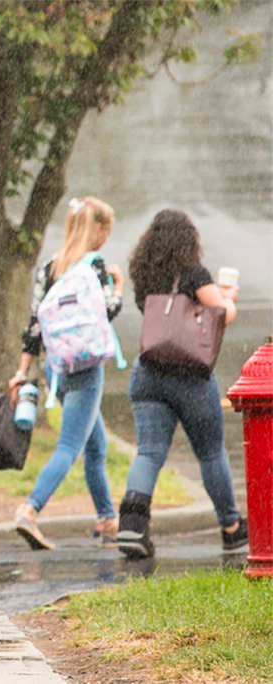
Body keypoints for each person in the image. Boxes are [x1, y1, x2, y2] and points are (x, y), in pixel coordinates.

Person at [116, 209, 248, 560]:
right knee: (210, 452)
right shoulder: (194, 273)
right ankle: (232, 528)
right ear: (188, 239)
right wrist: (229, 297)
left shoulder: (143, 273)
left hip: (148, 374)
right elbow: (223, 315)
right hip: (190, 378)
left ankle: (132, 525)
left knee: (148, 452)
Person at [8, 196, 124, 551]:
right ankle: (30, 509)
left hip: (55, 372)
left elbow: (34, 325)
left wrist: (21, 371)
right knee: (70, 447)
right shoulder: (96, 267)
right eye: (107, 229)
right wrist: (118, 286)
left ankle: (107, 519)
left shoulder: (49, 269)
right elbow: (108, 313)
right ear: (98, 230)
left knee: (96, 445)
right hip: (87, 369)